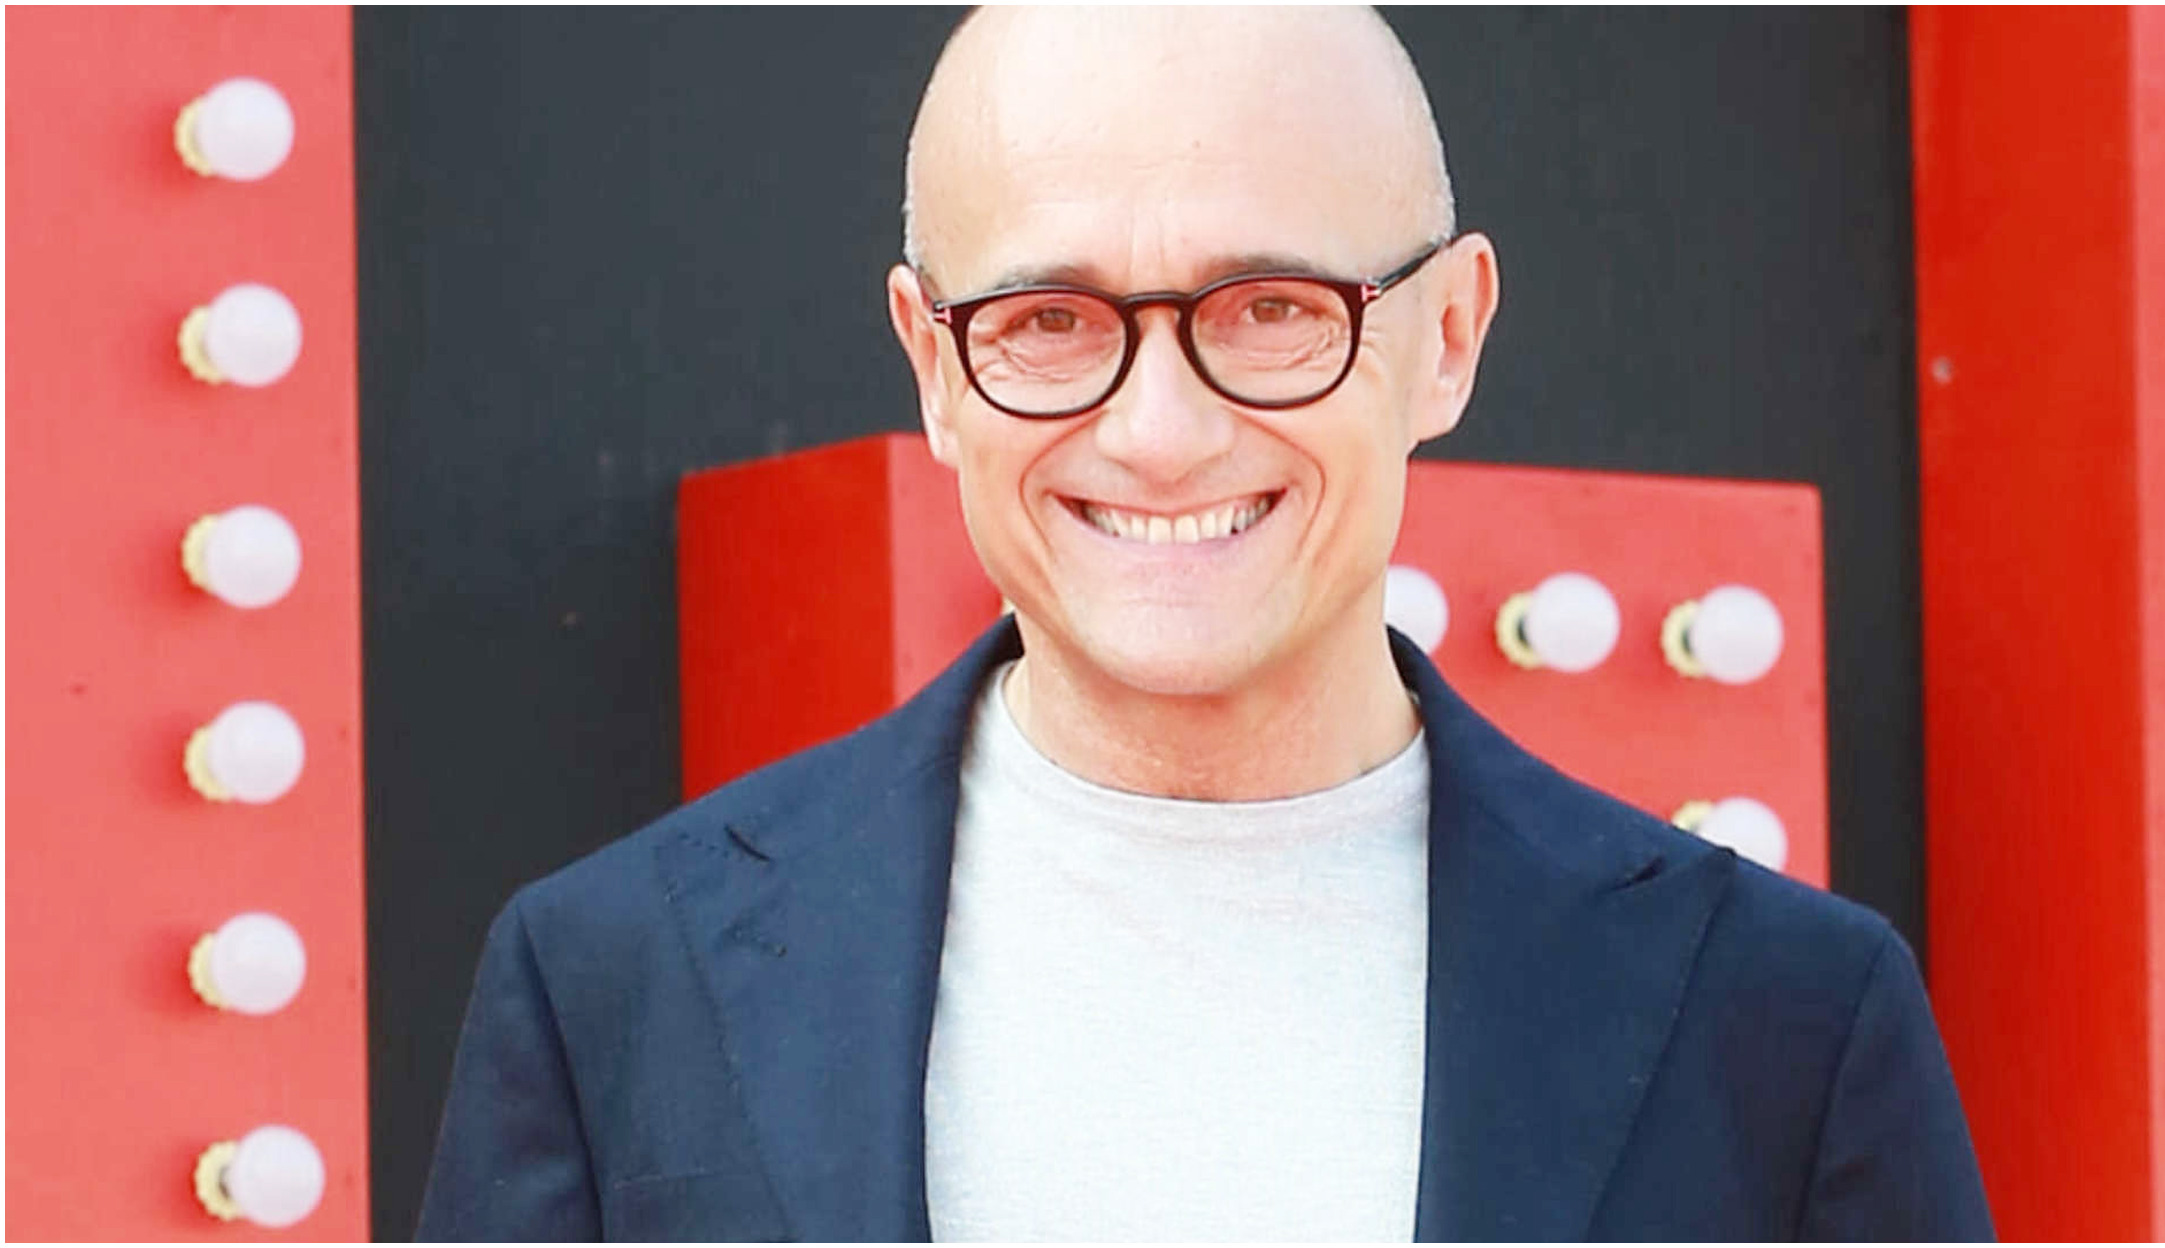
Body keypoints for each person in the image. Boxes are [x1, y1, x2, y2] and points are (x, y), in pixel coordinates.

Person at [418, 8, 1993, 1241]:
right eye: (1048, 320)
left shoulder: (1784, 1023)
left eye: (1271, 309)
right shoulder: (612, 984)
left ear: (1447, 335)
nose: (1158, 433)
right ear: (933, 364)